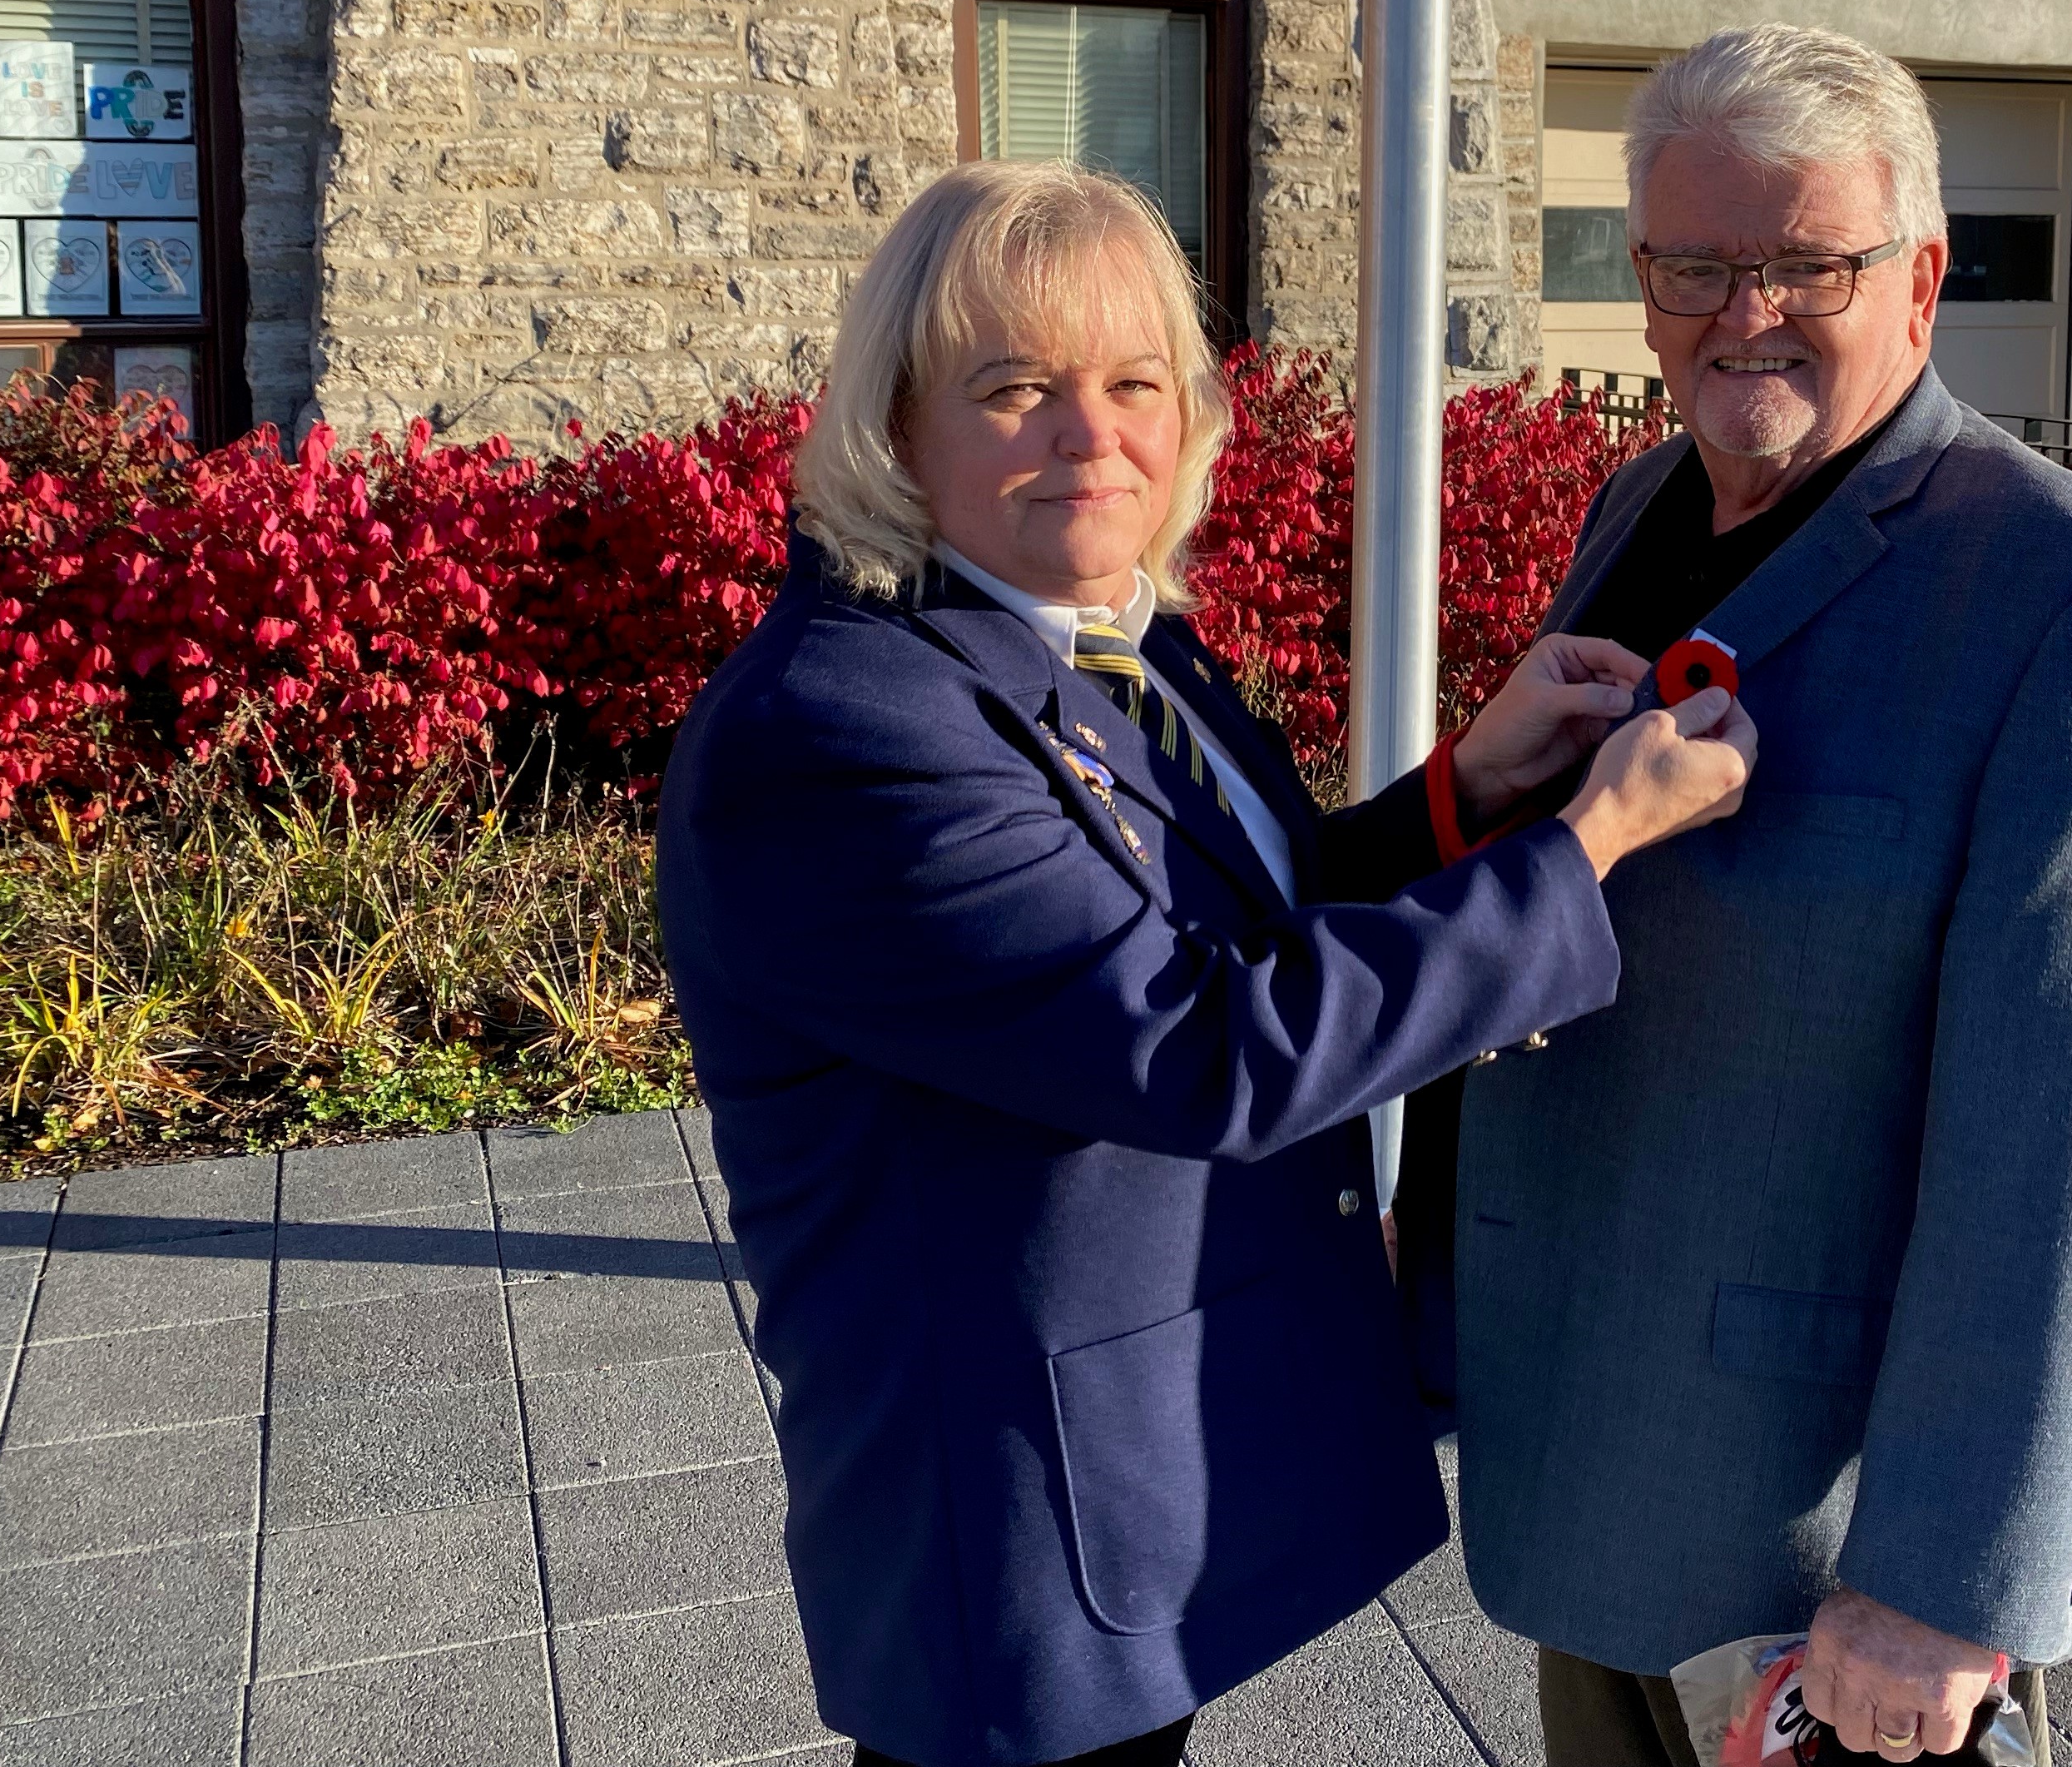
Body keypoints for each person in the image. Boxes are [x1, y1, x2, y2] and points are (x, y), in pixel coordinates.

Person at [658, 160, 1756, 1767]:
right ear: (897, 425)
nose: (1089, 438)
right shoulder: (841, 732)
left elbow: (1240, 908)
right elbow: (1201, 1044)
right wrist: (1584, 849)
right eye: (1015, 389)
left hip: (1139, 1452)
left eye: (1133, 384)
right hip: (1016, 1517)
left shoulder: (1106, 629)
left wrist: (1473, 794)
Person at [1432, 27, 2072, 1764]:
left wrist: (1950, 1577)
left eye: (1806, 262)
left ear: (1924, 276)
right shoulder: (1640, 505)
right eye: (1695, 265)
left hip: (1836, 1562)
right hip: (1600, 1459)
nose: (1744, 315)